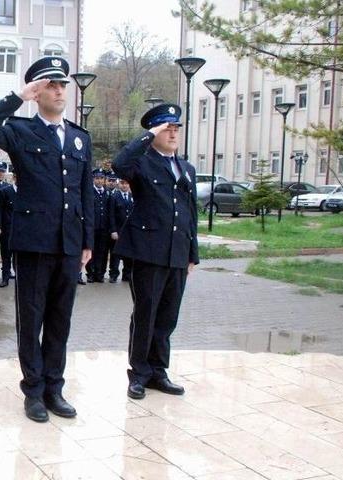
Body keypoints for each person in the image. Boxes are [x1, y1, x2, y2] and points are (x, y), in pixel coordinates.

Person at [0, 56, 94, 423]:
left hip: (69, 243)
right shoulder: (21, 131)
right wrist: (18, 96)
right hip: (33, 243)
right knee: (32, 319)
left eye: (62, 85)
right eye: (50, 84)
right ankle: (33, 392)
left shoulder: (79, 137)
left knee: (61, 319)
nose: (58, 90)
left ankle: (55, 389)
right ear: (38, 90)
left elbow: (86, 192)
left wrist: (88, 241)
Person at [112, 103, 198, 401]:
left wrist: (192, 253)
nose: (172, 133)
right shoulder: (143, 162)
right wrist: (148, 136)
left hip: (177, 253)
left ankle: (159, 371)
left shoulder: (186, 168)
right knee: (146, 315)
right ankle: (138, 374)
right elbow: (119, 165)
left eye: (176, 128)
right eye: (166, 128)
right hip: (148, 252)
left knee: (167, 317)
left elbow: (191, 213)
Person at [86, 169, 111, 283]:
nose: (99, 180)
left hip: (104, 228)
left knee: (103, 252)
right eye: (97, 178)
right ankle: (90, 273)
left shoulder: (108, 193)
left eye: (101, 178)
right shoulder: (89, 192)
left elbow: (110, 212)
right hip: (92, 227)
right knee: (91, 251)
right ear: (93, 179)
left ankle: (100, 273)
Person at [108, 177, 134, 283]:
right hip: (118, 230)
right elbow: (111, 215)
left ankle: (126, 274)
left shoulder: (132, 196)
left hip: (129, 231)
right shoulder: (114, 197)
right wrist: (113, 230)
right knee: (115, 254)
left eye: (127, 183)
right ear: (119, 184)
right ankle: (113, 274)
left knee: (129, 254)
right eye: (123, 183)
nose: (125, 185)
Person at [0, 172, 17, 287]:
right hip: (7, 229)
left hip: (21, 230)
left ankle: (19, 277)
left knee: (19, 256)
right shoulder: (5, 191)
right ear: (14, 177)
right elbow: (0, 210)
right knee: (6, 255)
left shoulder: (27, 192)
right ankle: (5, 277)